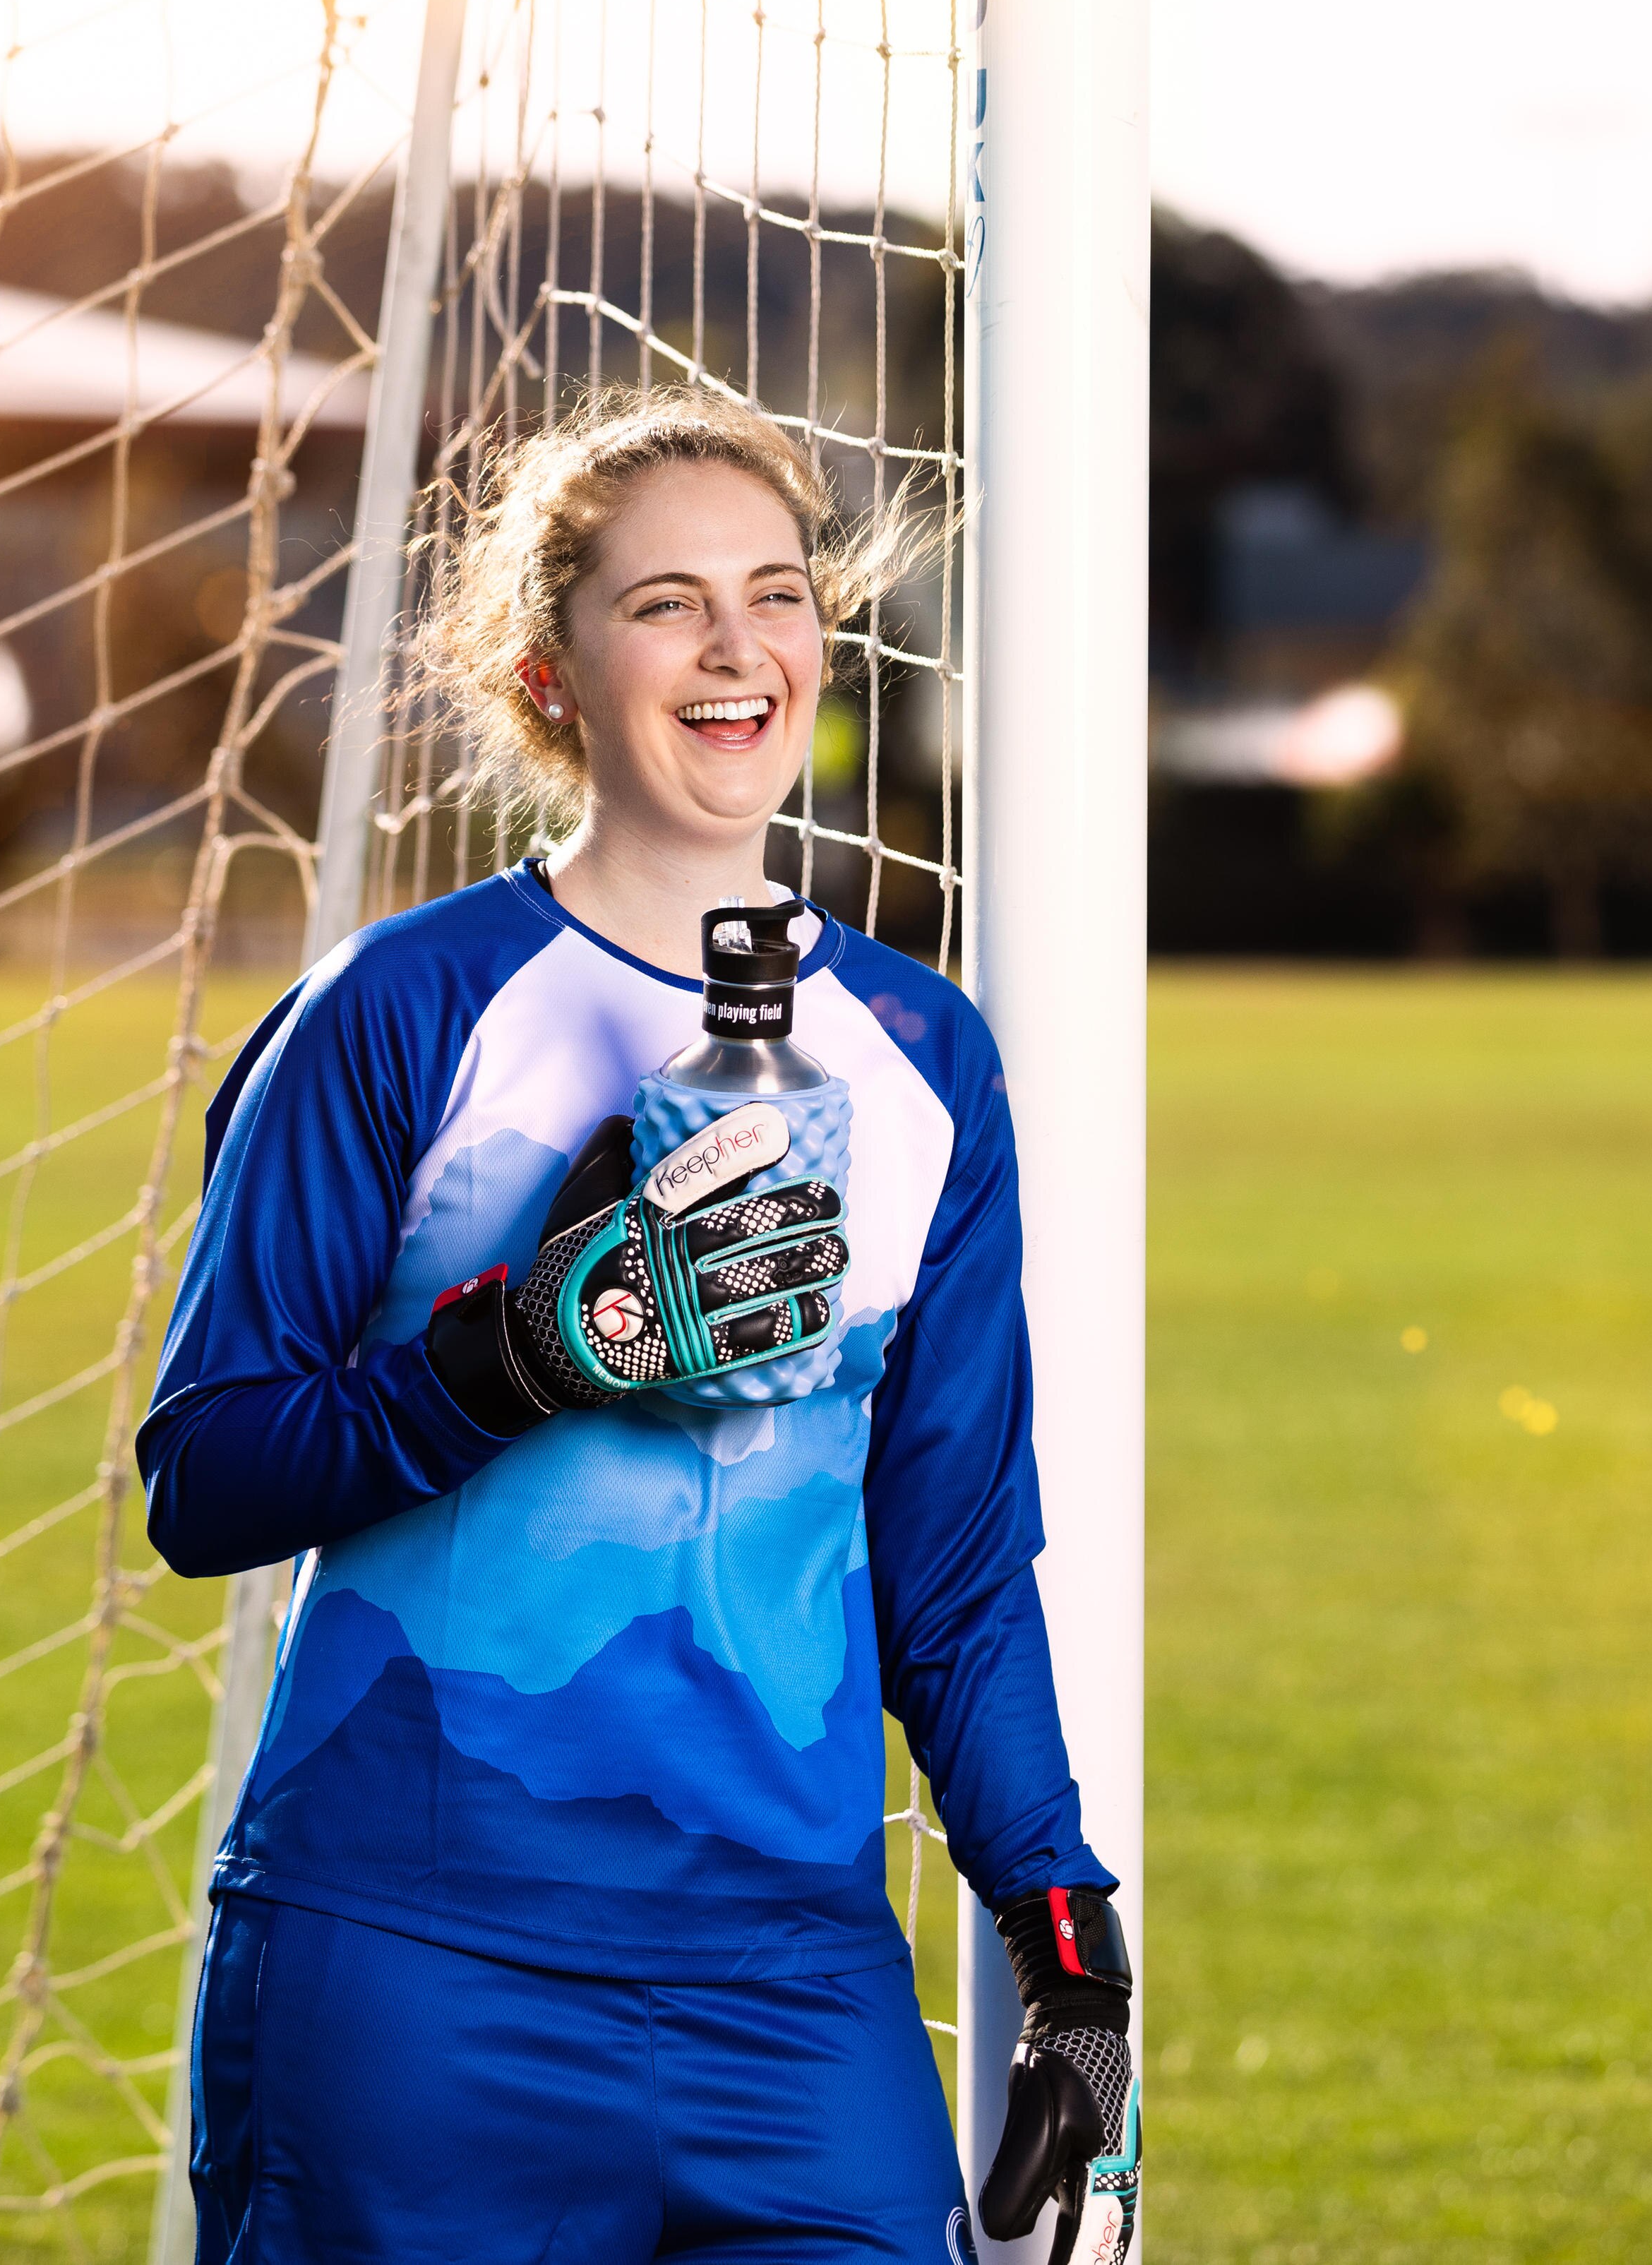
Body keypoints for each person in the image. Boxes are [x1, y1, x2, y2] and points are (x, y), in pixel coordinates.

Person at [138, 384, 1136, 2265]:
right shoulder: (400, 1011)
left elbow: (958, 1571)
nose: (739, 646)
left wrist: (1068, 1954)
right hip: (421, 1968)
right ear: (548, 673)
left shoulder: (930, 1065)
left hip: (794, 1990)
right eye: (668, 602)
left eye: (777, 592)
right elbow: (204, 1477)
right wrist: (521, 1351)